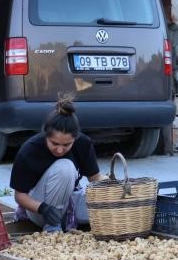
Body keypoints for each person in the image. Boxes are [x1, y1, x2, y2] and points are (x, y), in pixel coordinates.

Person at [10, 95, 107, 232]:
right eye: (54, 143)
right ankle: (52, 228)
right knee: (65, 168)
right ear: (46, 135)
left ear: (75, 138)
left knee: (106, 210)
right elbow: (19, 196)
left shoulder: (83, 143)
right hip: (40, 210)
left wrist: (112, 185)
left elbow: (94, 177)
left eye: (67, 144)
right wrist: (43, 208)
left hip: (69, 204)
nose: (60, 150)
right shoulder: (30, 150)